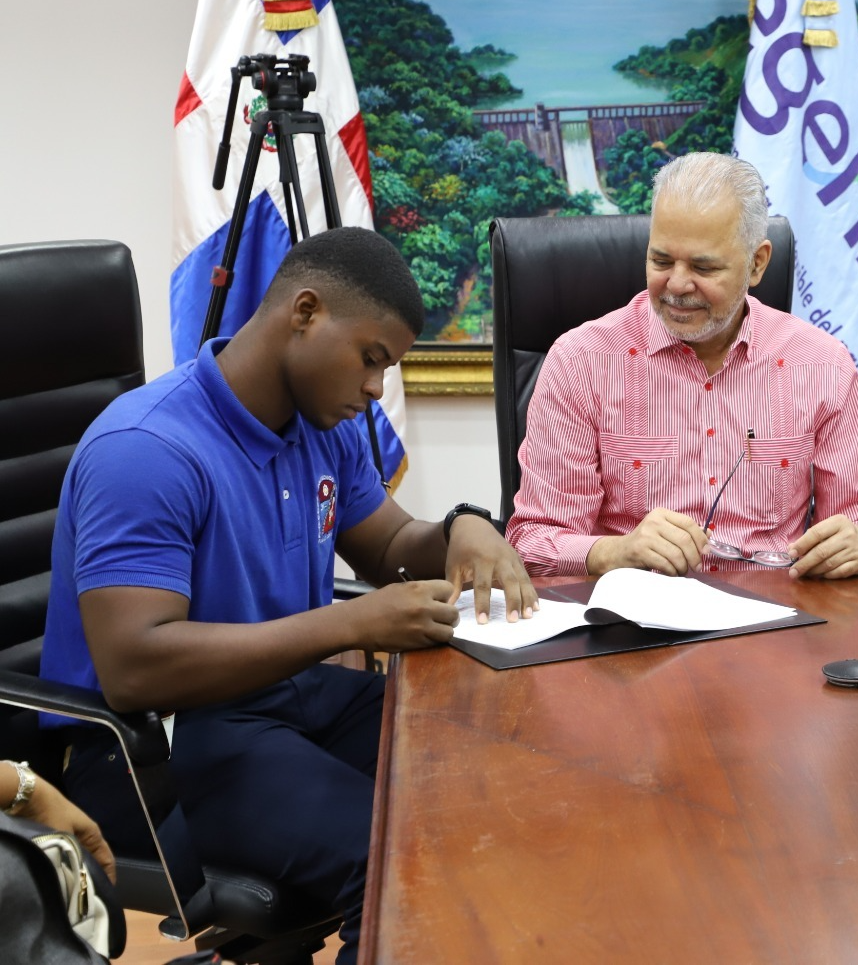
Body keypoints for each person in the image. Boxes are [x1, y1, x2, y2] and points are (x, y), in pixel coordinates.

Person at [39, 227, 537, 965]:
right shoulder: (146, 450)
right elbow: (135, 668)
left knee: (501, 780)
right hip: (159, 749)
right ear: (304, 312)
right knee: (407, 864)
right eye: (371, 360)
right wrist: (347, 623)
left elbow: (389, 546)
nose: (375, 390)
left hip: (285, 704)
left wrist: (465, 528)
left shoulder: (319, 423)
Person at [507, 152, 858, 579]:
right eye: (661, 261)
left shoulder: (821, 363)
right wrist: (614, 552)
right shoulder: (580, 362)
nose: (676, 285)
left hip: (775, 620)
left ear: (757, 263)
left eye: (703, 266)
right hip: (635, 622)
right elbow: (532, 541)